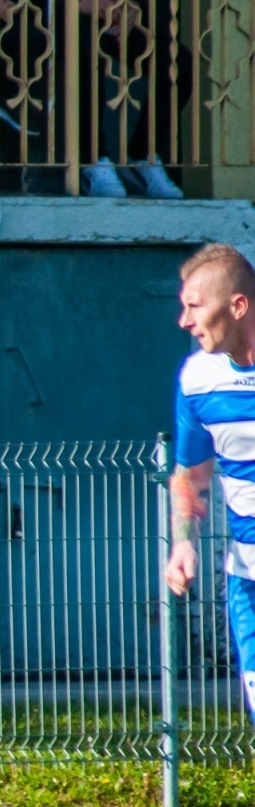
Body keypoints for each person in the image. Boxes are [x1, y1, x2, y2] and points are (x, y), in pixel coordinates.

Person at [165, 243, 255, 723]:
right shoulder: (197, 378)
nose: (184, 320)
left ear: (238, 306)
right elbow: (191, 478)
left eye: (194, 306)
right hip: (249, 579)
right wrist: (183, 543)